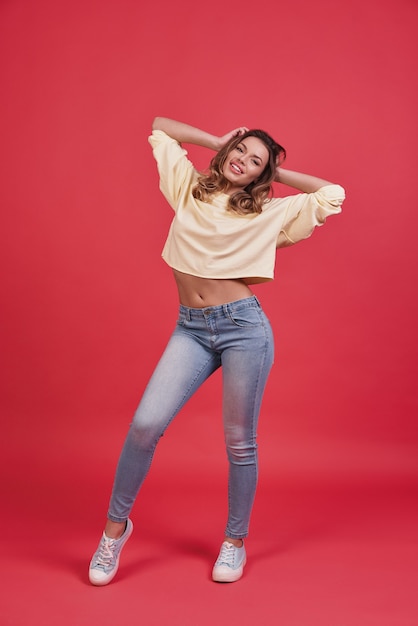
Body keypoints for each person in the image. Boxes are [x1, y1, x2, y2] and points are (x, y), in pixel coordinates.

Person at [88, 116, 345, 586]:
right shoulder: (188, 190)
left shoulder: (265, 212)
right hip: (190, 328)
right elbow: (161, 128)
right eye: (239, 151)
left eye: (254, 162)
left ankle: (235, 541)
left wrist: (274, 174)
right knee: (145, 425)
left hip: (243, 329)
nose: (241, 161)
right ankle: (114, 531)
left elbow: (331, 193)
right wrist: (216, 138)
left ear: (258, 175)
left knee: (239, 442)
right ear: (226, 151)